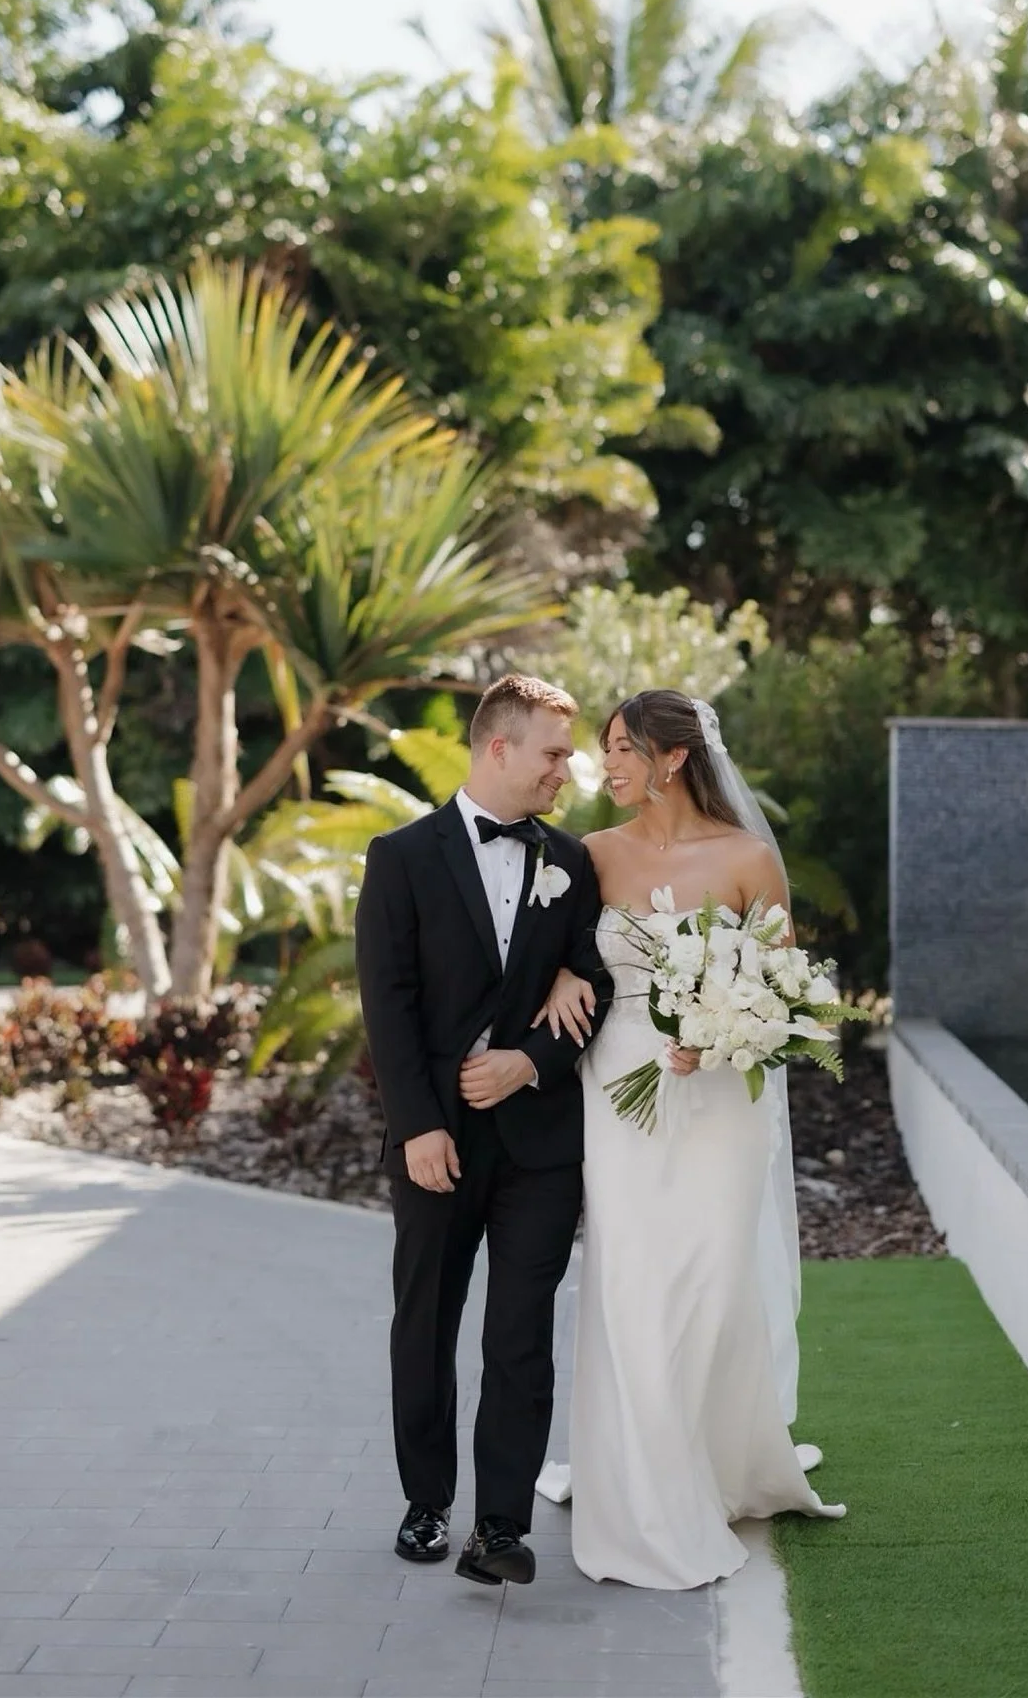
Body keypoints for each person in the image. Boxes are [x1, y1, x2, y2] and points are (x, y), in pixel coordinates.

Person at [535, 687, 845, 1589]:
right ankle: (644, 1489)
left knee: (712, 1283)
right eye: (603, 749)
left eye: (622, 748)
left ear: (673, 757)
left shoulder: (749, 859)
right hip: (619, 1092)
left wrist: (722, 1034)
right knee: (632, 1282)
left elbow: (788, 992)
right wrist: (559, 980)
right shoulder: (591, 854)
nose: (606, 764)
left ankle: (711, 1463)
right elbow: (551, 954)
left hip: (721, 1102)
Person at [355, 674, 613, 1587]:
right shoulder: (400, 857)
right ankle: (427, 1504)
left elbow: (598, 978)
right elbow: (387, 1002)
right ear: (498, 748)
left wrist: (532, 1060)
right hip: (438, 1141)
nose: (566, 770)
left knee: (520, 1334)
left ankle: (499, 1527)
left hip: (541, 1145)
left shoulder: (573, 863)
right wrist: (419, 1127)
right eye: (554, 753)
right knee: (426, 1323)